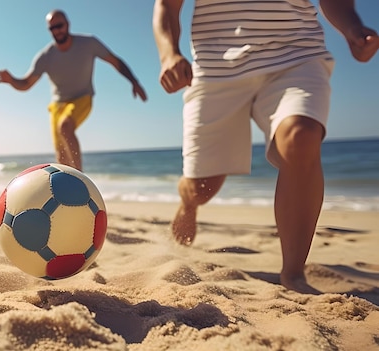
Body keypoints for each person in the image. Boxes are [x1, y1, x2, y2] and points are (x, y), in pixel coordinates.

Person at [152, 0, 378, 294]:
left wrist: (353, 28)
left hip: (296, 55)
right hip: (216, 68)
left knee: (301, 137)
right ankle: (188, 204)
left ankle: (293, 273)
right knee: (201, 188)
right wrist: (169, 54)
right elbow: (167, 5)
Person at [0, 9, 148, 171]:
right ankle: (67, 190)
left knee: (65, 126)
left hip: (82, 98)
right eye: (52, 28)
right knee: (61, 159)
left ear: (68, 24)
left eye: (59, 26)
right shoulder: (45, 56)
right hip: (57, 106)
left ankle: (80, 178)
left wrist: (134, 81)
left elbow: (115, 61)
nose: (56, 31)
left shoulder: (89, 43)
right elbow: (26, 83)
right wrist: (11, 80)